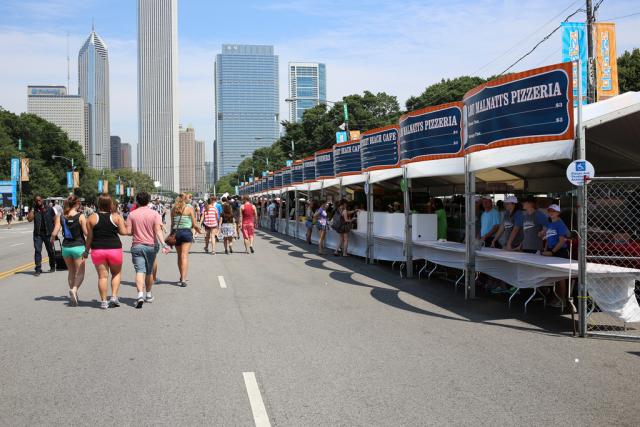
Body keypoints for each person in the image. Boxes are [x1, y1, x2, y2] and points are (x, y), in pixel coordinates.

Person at [84, 194, 128, 309]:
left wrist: (86, 251)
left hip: (98, 250)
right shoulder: (116, 217)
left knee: (102, 277)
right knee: (116, 273)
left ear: (98, 204)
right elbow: (123, 232)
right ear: (110, 204)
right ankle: (114, 296)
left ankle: (104, 301)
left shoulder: (92, 218)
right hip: (114, 249)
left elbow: (89, 237)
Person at [126, 191, 168, 308]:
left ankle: (140, 294)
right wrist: (163, 244)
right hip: (151, 246)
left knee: (139, 271)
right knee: (149, 272)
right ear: (149, 201)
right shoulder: (155, 214)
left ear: (137, 201)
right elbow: (158, 231)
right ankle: (148, 295)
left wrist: (136, 230)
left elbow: (129, 232)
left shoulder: (132, 214)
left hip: (137, 246)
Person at [50, 195, 87, 306]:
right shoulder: (81, 216)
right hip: (78, 247)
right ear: (77, 204)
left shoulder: (61, 216)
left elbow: (55, 231)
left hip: (66, 247)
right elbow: (86, 233)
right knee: (80, 273)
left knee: (71, 272)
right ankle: (74, 290)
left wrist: (52, 239)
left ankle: (73, 295)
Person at [542, 203, 571, 308]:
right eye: (549, 211)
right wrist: (546, 249)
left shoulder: (560, 224)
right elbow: (548, 238)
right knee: (554, 276)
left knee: (560, 277)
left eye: (553, 211)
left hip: (560, 252)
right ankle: (557, 298)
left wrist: (552, 252)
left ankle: (563, 300)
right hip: (551, 251)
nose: (551, 213)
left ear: (558, 213)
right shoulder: (550, 224)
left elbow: (562, 240)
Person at [171, 193, 201, 287]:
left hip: (176, 233)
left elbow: (172, 224)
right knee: (184, 256)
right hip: (186, 232)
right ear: (185, 199)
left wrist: (172, 234)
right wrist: (198, 229)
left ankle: (181, 276)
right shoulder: (189, 208)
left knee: (179, 255)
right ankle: (183, 279)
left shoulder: (173, 209)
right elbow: (194, 223)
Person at [27, 196, 58, 276]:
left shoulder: (49, 209)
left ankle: (52, 266)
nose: (38, 201)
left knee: (50, 250)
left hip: (48, 233)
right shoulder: (34, 210)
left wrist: (55, 232)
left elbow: (55, 219)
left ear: (42, 200)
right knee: (37, 251)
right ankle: (38, 269)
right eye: (36, 200)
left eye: (39, 200)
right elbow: (29, 219)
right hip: (38, 234)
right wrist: (32, 209)